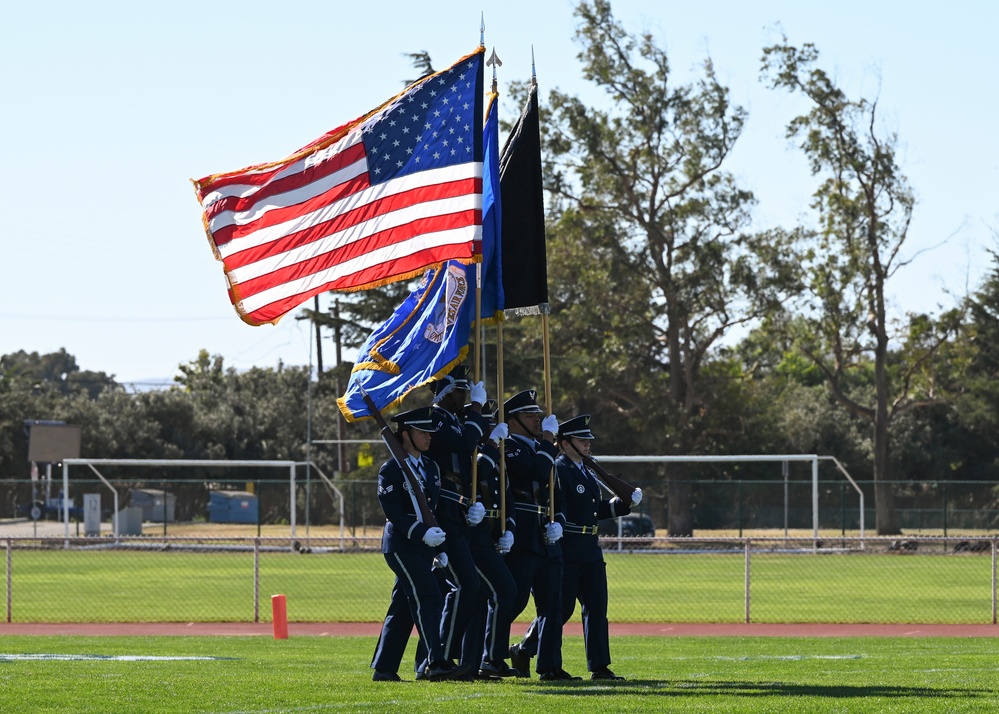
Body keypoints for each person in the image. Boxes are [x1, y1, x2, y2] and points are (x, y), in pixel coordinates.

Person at [369, 406, 471, 682]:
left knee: (403, 605)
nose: (429, 437)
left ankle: (384, 668)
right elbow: (394, 512)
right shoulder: (391, 469)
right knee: (429, 596)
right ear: (405, 435)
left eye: (429, 432)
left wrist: (439, 548)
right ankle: (435, 663)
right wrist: (420, 533)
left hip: (426, 546)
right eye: (422, 432)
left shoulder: (430, 467)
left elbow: (431, 509)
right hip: (401, 545)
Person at [553, 414, 643, 680]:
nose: (587, 444)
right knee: (562, 609)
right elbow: (564, 509)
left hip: (590, 548)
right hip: (569, 547)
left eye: (588, 439)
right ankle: (527, 648)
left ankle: (599, 666)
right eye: (582, 439)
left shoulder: (587, 471)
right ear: (565, 443)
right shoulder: (559, 469)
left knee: (596, 608)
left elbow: (593, 510)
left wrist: (623, 504)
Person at [501, 389, 579, 681]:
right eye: (530, 416)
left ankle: (549, 665)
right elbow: (534, 473)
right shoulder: (508, 447)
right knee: (513, 600)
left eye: (537, 415)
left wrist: (557, 520)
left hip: (547, 538)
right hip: (521, 534)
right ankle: (488, 655)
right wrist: (548, 441)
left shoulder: (542, 451)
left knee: (555, 604)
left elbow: (555, 494)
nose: (537, 420)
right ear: (512, 421)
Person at [422, 365, 492, 677]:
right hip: (443, 513)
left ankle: (442, 658)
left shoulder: (454, 420)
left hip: (460, 512)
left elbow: (470, 457)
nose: (465, 397)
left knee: (467, 586)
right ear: (447, 392)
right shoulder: (436, 418)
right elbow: (464, 444)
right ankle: (438, 659)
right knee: (463, 585)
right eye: (461, 391)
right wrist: (476, 409)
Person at [459, 400, 518, 678]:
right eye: (486, 423)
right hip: (472, 536)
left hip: (492, 534)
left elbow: (509, 499)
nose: (492, 428)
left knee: (483, 601)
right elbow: (475, 476)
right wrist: (492, 447)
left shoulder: (496, 456)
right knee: (503, 590)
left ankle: (474, 662)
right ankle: (491, 658)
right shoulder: (473, 454)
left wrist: (509, 528)